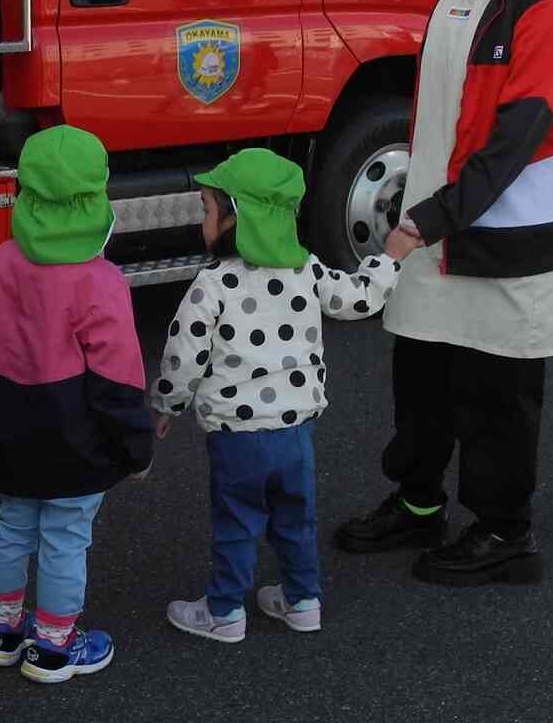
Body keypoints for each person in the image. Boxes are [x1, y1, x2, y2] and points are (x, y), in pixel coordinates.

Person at [334, 0, 553, 587]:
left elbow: (516, 134)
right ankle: (417, 502)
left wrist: (428, 219)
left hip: (512, 230)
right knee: (420, 376)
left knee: (496, 394)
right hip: (441, 222)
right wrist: (422, 211)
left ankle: (503, 530)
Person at [150, 151, 401, 641]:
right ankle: (303, 601)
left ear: (236, 219)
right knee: (295, 519)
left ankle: (224, 612)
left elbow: (183, 357)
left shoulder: (212, 284)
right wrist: (390, 259)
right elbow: (359, 298)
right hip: (294, 433)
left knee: (237, 522)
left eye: (206, 209)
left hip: (236, 436)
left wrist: (165, 407)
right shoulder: (305, 269)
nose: (202, 220)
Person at [0, 126, 152, 682]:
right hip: (77, 439)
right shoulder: (101, 281)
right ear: (95, 199)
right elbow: (117, 384)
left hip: (8, 433)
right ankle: (53, 643)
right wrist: (135, 453)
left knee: (13, 522)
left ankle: (2, 629)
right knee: (66, 535)